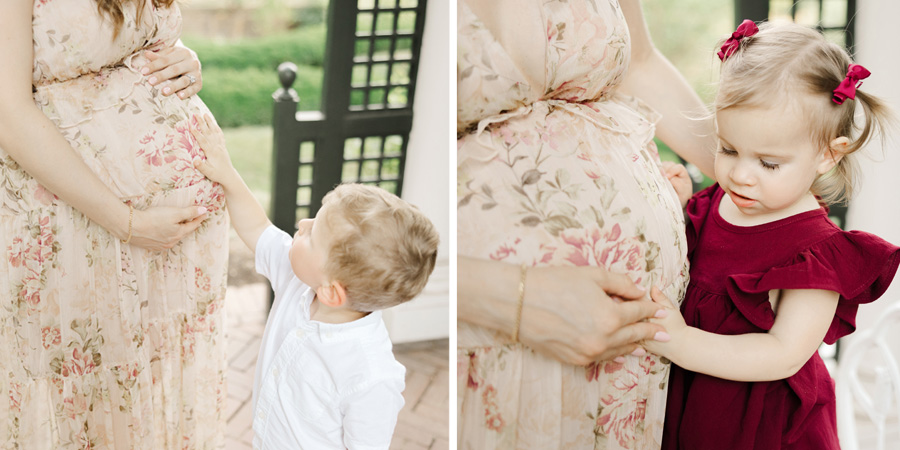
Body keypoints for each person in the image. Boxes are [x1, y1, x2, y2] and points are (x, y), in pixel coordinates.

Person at [457, 0, 720, 448]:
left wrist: (769, 175)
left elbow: (639, 62)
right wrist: (521, 301)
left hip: (633, 362)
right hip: (494, 337)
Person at [644, 20, 900, 450]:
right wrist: (678, 206)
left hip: (764, 427)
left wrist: (684, 341)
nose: (740, 175)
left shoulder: (814, 253)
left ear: (826, 155)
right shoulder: (718, 204)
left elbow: (784, 352)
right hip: (694, 406)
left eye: (768, 163)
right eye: (728, 149)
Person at [0, 1, 229, 448]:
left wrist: (183, 56)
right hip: (79, 226)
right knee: (81, 402)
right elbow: (7, 111)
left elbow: (125, 38)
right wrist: (127, 222)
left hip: (172, 248)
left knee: (148, 397)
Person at [190, 114, 440, 449]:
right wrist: (226, 174)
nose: (302, 223)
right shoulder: (301, 281)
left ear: (332, 292)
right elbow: (256, 227)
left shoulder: (370, 374)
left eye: (313, 233)